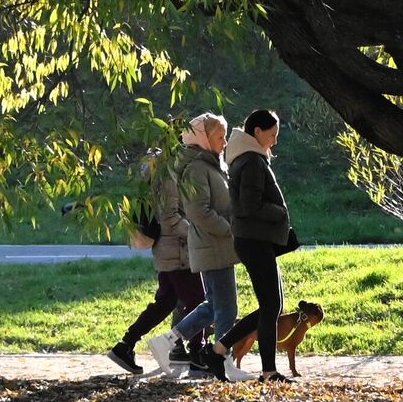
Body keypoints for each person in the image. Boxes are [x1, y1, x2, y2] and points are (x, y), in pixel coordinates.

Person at [157, 112, 243, 381]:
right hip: (213, 246)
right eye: (220, 136)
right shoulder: (196, 168)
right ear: (204, 138)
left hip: (216, 246)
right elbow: (199, 211)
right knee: (227, 309)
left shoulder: (210, 164)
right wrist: (230, 230)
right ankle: (223, 360)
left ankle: (168, 341)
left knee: (214, 305)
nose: (225, 141)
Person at [107, 143, 205, 374]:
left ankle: (126, 345)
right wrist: (195, 233)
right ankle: (197, 352)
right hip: (177, 249)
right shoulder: (169, 174)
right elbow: (170, 216)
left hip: (166, 248)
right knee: (199, 301)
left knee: (166, 301)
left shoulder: (157, 171)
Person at [217, 109, 294, 383]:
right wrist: (280, 213)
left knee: (272, 305)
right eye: (272, 135)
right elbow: (249, 205)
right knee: (271, 305)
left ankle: (219, 349)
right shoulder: (251, 161)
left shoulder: (248, 157)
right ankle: (268, 371)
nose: (274, 140)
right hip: (254, 239)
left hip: (255, 239)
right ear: (257, 132)